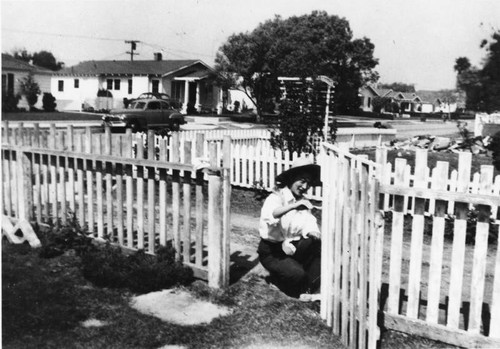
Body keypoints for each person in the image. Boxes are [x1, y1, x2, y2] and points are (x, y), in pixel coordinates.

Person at [257, 157, 322, 299]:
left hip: (291, 247)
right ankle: (277, 280)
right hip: (272, 252)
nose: (305, 187)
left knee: (317, 245)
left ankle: (308, 290)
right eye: (302, 181)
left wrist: (313, 231)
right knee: (297, 274)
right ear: (291, 178)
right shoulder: (276, 198)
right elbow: (272, 214)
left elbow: (309, 221)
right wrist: (292, 206)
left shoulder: (302, 202)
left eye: (308, 183)